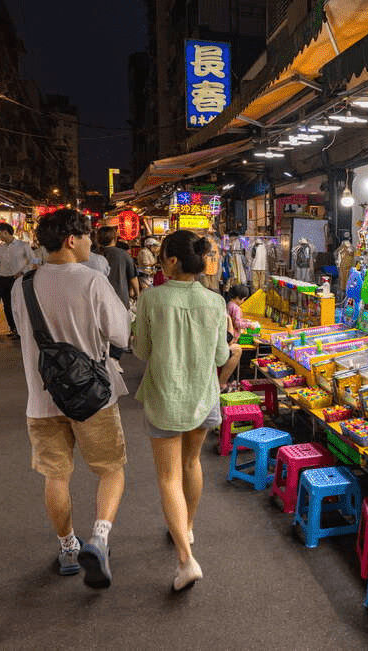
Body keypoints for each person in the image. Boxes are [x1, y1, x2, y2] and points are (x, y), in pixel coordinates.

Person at [10, 209, 130, 589]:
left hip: (42, 400)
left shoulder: (22, 285)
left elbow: (21, 330)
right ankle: (99, 538)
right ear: (71, 239)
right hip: (94, 398)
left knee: (55, 476)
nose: (92, 243)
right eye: (88, 236)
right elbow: (121, 337)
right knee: (110, 469)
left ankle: (67, 548)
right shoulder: (93, 282)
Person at [134, 230, 229, 591]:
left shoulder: (152, 299)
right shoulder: (215, 302)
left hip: (166, 399)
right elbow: (221, 357)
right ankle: (186, 528)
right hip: (203, 397)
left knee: (168, 477)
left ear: (172, 261)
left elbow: (141, 352)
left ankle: (185, 559)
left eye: (162, 255)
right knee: (192, 464)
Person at [0, 222, 37, 338]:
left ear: (5, 232)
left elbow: (35, 260)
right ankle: (13, 328)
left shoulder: (23, 245)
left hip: (17, 279)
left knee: (19, 304)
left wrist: (24, 271)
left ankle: (22, 329)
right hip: (3, 278)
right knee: (7, 305)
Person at [218, 284, 254, 390]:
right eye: (243, 299)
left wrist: (246, 321)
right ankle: (227, 381)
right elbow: (237, 323)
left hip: (227, 335)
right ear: (241, 298)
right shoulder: (237, 308)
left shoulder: (229, 304)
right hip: (232, 337)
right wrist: (249, 325)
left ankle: (228, 380)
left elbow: (235, 320)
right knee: (234, 356)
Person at [97, 226, 139, 310]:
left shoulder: (93, 254)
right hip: (120, 299)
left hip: (98, 300)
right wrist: (138, 294)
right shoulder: (123, 254)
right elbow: (133, 277)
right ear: (114, 239)